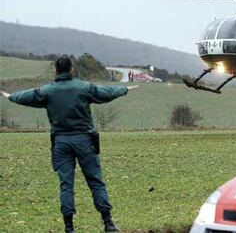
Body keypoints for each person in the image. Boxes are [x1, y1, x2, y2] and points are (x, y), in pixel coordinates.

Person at [0, 55, 138, 233]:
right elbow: (105, 92)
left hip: (61, 143)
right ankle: (108, 223)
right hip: (85, 141)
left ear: (56, 70)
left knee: (66, 185)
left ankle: (69, 227)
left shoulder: (47, 91)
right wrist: (125, 90)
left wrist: (10, 96)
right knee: (96, 182)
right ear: (71, 69)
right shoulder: (84, 88)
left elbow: (27, 96)